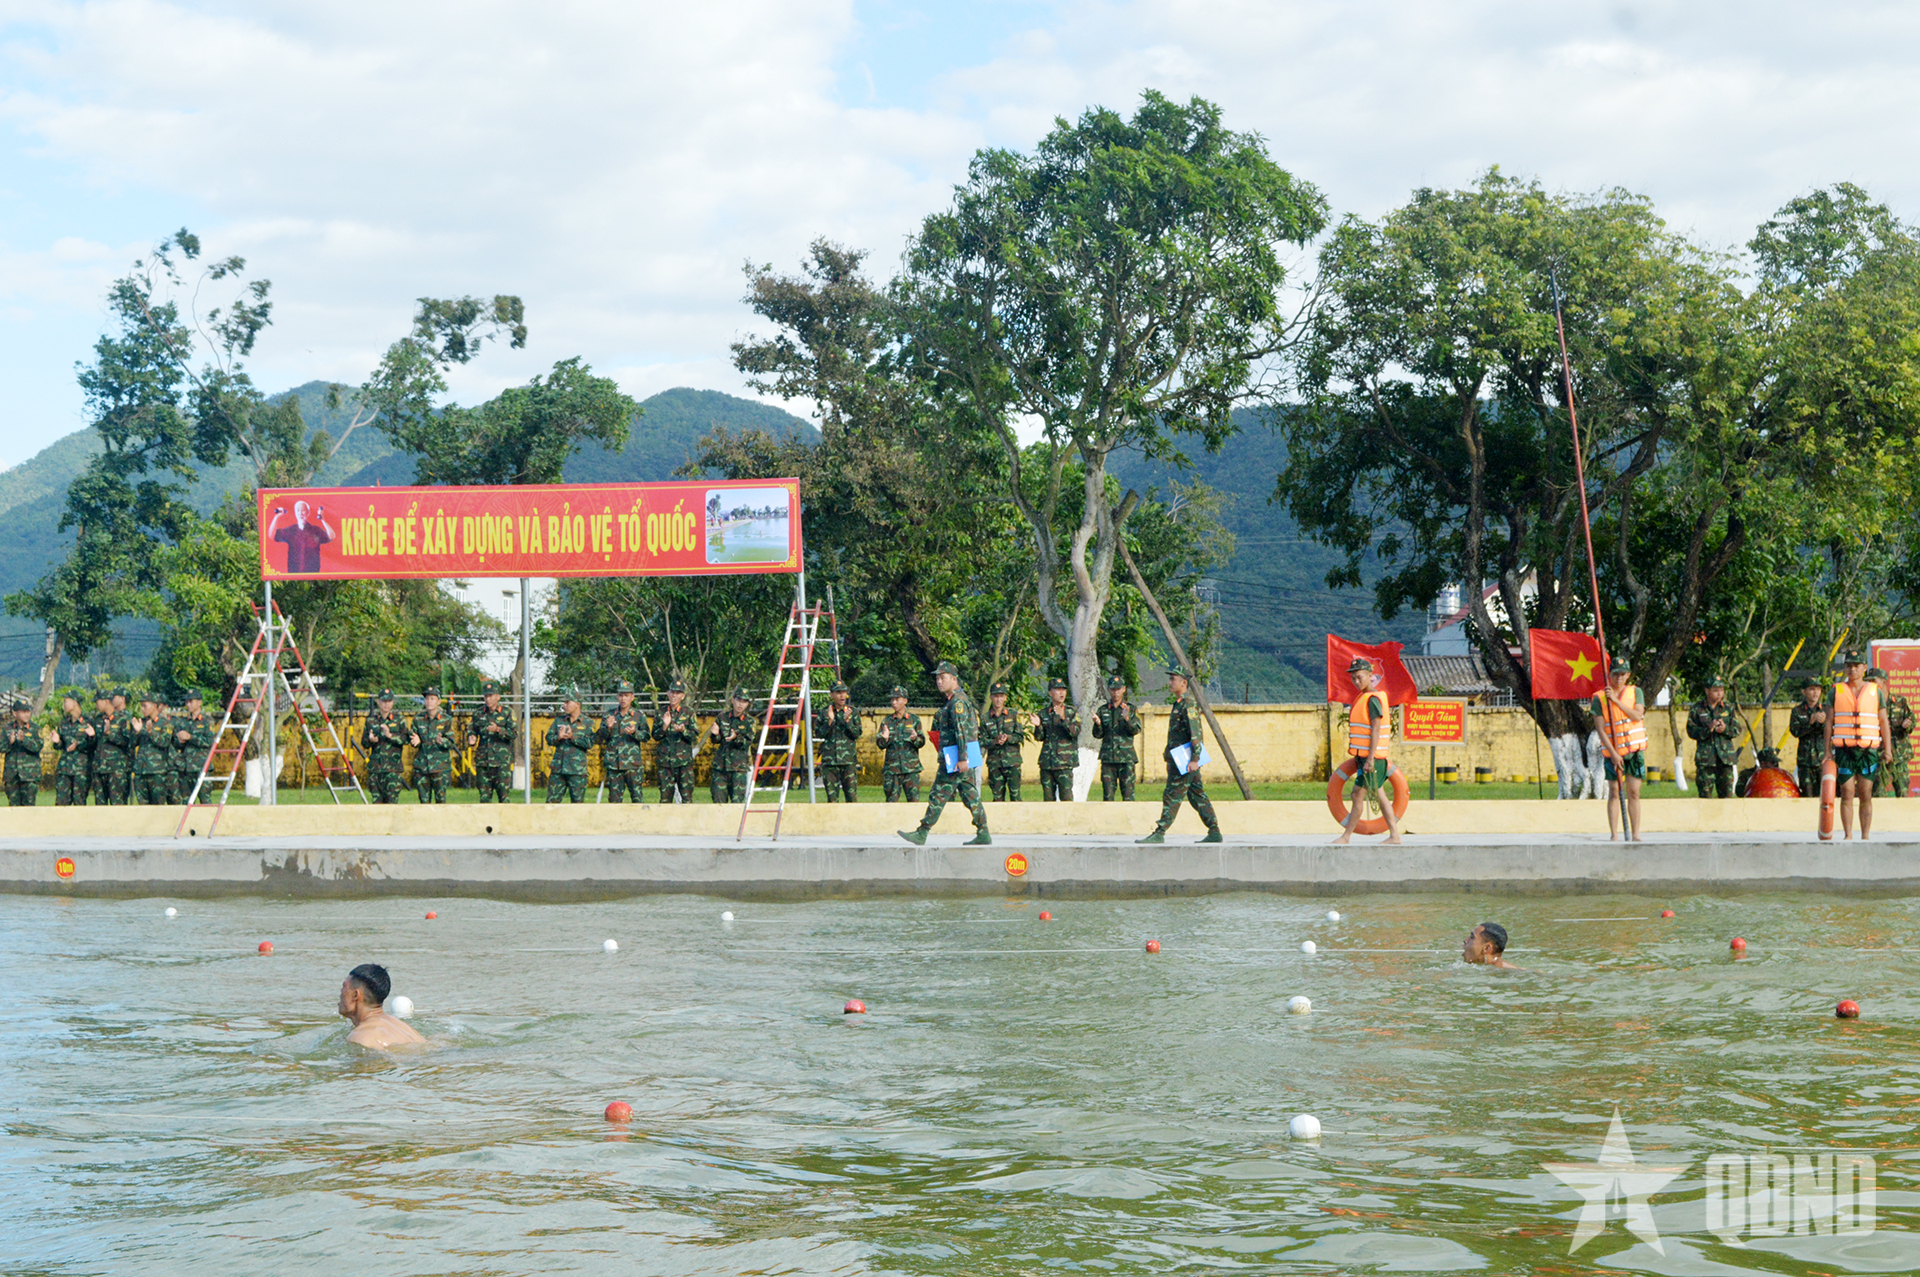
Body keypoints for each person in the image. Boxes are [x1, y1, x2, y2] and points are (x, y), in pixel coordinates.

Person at [898, 661, 990, 846]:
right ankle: (983, 832)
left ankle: (922, 832)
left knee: (938, 793)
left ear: (954, 679)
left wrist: (962, 758)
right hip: (958, 754)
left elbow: (962, 731)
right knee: (970, 795)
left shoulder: (958, 702)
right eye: (938, 678)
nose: (939, 681)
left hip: (958, 756)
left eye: (943, 677)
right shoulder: (953, 701)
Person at [1139, 666, 1223, 844]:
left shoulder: (1188, 704)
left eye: (1173, 679)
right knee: (1197, 795)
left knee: (1172, 794)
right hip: (1178, 758)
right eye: (1170, 679)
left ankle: (1160, 832)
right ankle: (1214, 831)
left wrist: (1194, 759)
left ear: (1183, 683)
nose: (1170, 682)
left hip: (1186, 761)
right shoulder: (1179, 703)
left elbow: (1196, 734)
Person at [1333, 657, 1402, 845]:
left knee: (1360, 794)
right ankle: (1393, 835)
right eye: (1354, 678)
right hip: (1364, 758)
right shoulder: (1364, 698)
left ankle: (1347, 837)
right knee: (1374, 794)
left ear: (1370, 676)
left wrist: (1370, 758)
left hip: (1372, 758)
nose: (1356, 682)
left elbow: (1376, 729)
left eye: (1360, 677)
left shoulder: (1372, 700)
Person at [1824, 651, 1890, 839]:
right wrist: (1827, 751)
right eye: (1849, 666)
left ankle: (1866, 835)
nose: (1852, 669)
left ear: (1863, 668)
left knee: (1865, 793)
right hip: (1845, 749)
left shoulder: (1875, 691)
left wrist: (1888, 750)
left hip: (1868, 750)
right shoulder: (1835, 691)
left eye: (1856, 665)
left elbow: (1883, 721)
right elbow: (1829, 721)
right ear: (1845, 668)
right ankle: (1848, 835)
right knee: (1847, 792)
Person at [1592, 658, 1647, 842]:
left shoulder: (1635, 692)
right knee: (1614, 792)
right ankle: (1614, 834)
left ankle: (1636, 834)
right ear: (1610, 674)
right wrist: (1614, 754)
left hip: (1634, 751)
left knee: (1633, 792)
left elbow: (1637, 714)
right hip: (1613, 753)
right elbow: (1600, 729)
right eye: (1615, 674)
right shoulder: (1599, 697)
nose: (1619, 678)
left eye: (1623, 674)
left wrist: (1615, 701)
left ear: (1628, 675)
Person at [337, 963, 425, 1050]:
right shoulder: (401, 1025)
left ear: (355, 995)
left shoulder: (360, 1037)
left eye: (344, 987)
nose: (341, 993)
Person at [1687, 677, 1741, 799]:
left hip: (1725, 759)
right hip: (1706, 760)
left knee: (1726, 796)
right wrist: (1708, 729)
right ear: (1707, 691)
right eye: (1716, 690)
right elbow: (1691, 731)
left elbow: (1737, 729)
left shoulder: (1728, 708)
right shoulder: (1697, 709)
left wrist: (1725, 729)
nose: (1719, 693)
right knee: (1705, 796)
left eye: (1721, 690)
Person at [596, 680, 649, 802]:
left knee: (637, 799)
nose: (623, 699)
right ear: (617, 696)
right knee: (614, 802)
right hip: (614, 766)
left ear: (632, 697)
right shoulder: (609, 715)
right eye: (621, 695)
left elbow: (646, 736)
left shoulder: (639, 716)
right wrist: (608, 728)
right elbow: (599, 738)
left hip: (633, 765)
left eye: (626, 695)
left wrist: (635, 733)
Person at [1092, 675, 1142, 801]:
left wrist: (1127, 719)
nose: (1116, 692)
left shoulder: (1130, 709)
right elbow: (1098, 735)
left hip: (1126, 758)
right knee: (1108, 797)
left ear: (1124, 689)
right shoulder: (1103, 710)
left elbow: (1136, 730)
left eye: (1118, 689)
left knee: (1128, 796)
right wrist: (1098, 724)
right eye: (1113, 689)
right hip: (1108, 759)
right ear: (1109, 690)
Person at [812, 681, 862, 802]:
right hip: (830, 762)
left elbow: (857, 734)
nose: (842, 696)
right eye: (838, 692)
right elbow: (818, 734)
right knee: (832, 800)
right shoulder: (824, 712)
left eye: (844, 692)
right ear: (831, 695)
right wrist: (829, 721)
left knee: (851, 798)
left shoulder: (852, 712)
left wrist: (848, 721)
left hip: (848, 762)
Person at [467, 679, 517, 803]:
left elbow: (514, 733)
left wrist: (498, 729)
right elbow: (472, 729)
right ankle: (486, 823)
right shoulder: (478, 713)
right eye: (486, 696)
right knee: (484, 800)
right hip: (483, 763)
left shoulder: (507, 713)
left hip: (501, 763)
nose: (488, 699)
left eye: (490, 696)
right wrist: (471, 737)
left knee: (504, 799)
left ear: (498, 697)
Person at [875, 685, 926, 803]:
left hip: (911, 769)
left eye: (897, 699)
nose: (894, 702)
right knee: (891, 803)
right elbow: (880, 744)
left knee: (914, 803)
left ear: (905, 701)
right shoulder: (886, 721)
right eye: (892, 699)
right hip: (892, 770)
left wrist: (915, 739)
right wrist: (885, 739)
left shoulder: (914, 720)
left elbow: (922, 742)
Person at [1031, 677, 1079, 802]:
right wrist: (1038, 726)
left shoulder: (1072, 712)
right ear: (1050, 693)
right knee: (1048, 800)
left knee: (1066, 799)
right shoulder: (1043, 713)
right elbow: (1039, 737)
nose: (1061, 693)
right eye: (1057, 690)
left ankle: (1068, 821)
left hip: (1064, 763)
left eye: (1063, 689)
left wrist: (1064, 719)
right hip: (1047, 763)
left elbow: (1075, 732)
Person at [653, 679, 699, 803]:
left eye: (678, 693)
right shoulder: (660, 713)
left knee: (687, 799)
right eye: (672, 692)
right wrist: (664, 726)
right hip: (665, 764)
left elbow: (694, 736)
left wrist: (683, 731)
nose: (674, 695)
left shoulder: (688, 713)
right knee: (665, 800)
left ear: (683, 696)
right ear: (668, 693)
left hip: (683, 763)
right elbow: (655, 736)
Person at [408, 687, 457, 804]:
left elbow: (451, 742)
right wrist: (415, 740)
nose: (429, 701)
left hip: (440, 768)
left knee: (440, 802)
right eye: (427, 699)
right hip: (422, 767)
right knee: (424, 803)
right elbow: (411, 738)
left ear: (438, 701)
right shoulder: (418, 719)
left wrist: (442, 741)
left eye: (432, 698)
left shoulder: (446, 720)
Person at [708, 688, 755, 803]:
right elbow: (716, 740)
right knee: (718, 802)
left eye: (744, 702)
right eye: (738, 700)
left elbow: (747, 742)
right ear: (733, 700)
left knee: (737, 804)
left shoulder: (749, 722)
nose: (740, 704)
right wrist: (715, 735)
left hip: (738, 768)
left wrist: (736, 738)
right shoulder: (722, 717)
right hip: (721, 767)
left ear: (747, 704)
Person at [546, 690, 594, 803]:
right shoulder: (559, 720)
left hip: (577, 771)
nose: (564, 705)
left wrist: (573, 738)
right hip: (558, 770)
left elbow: (590, 743)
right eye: (564, 702)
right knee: (551, 804)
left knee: (577, 805)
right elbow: (549, 739)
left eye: (568, 702)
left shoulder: (587, 722)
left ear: (577, 704)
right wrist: (558, 737)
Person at [170, 689, 216, 804]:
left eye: (191, 701)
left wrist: (190, 737)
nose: (188, 704)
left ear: (199, 702)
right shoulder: (182, 722)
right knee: (186, 802)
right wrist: (179, 740)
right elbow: (175, 744)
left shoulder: (207, 721)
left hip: (201, 767)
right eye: (186, 702)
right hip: (185, 768)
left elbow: (210, 742)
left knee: (205, 800)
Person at [362, 689, 408, 804]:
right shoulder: (371, 721)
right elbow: (364, 743)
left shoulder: (399, 720)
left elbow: (406, 739)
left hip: (393, 769)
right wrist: (371, 740)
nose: (386, 704)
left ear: (392, 702)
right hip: (376, 769)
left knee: (391, 805)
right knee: (377, 805)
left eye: (389, 701)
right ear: (378, 702)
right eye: (383, 701)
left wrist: (390, 735)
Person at [982, 683, 1025, 801]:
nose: (998, 699)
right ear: (991, 697)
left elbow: (1020, 736)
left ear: (1005, 697)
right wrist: (995, 741)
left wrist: (1008, 738)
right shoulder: (985, 718)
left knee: (1015, 796)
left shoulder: (1013, 714)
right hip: (995, 763)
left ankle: (1017, 819)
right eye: (995, 696)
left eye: (1001, 696)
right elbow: (982, 741)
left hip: (1012, 762)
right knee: (997, 798)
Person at [1874, 669, 1913, 800]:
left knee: (1902, 790)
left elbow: (1911, 719)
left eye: (1874, 681)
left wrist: (1908, 724)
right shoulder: (1869, 703)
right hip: (1878, 753)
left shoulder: (1899, 701)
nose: (1871, 684)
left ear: (1883, 682)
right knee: (1877, 792)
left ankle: (1903, 819)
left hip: (1899, 752)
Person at [267, 500, 334, 574]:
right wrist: (277, 517)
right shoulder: (290, 530)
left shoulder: (315, 530)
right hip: (294, 572)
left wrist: (323, 519)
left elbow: (331, 536)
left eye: (303, 510)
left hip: (313, 573)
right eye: (298, 510)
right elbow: (272, 535)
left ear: (308, 512)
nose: (300, 513)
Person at [1787, 676, 1827, 798]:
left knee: (1825, 795)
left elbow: (1835, 730)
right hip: (1805, 761)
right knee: (1807, 795)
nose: (1815, 693)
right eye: (1811, 689)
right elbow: (1794, 731)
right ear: (1804, 691)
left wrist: (1825, 722)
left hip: (1823, 760)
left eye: (1818, 689)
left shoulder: (1826, 709)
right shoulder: (1797, 711)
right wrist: (1808, 723)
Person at [129, 694, 173, 805]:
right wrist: (137, 732)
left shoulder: (164, 723)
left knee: (158, 807)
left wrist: (151, 732)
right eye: (141, 706)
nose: (142, 709)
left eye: (145, 706)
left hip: (157, 771)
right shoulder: (141, 722)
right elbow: (131, 744)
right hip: (141, 771)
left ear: (154, 705)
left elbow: (165, 742)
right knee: (143, 807)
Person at [53, 693, 94, 807]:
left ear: (75, 702)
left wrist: (79, 744)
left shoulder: (88, 722)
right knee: (61, 804)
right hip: (64, 769)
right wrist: (57, 742)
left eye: (66, 701)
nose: (64, 705)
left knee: (79, 803)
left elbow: (92, 745)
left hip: (81, 770)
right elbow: (61, 745)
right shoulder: (64, 723)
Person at [92, 690, 133, 805]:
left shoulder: (122, 719)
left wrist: (110, 734)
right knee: (100, 806)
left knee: (118, 806)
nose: (96, 704)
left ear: (106, 701)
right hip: (99, 768)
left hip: (116, 770)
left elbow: (127, 742)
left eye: (97, 701)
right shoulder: (97, 720)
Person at [3, 697, 43, 807]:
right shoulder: (7, 729)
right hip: (12, 775)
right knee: (14, 807)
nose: (27, 714)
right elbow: (1, 748)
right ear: (15, 713)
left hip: (30, 775)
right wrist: (9, 743)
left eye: (28, 711)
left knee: (29, 808)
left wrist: (24, 740)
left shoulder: (35, 728)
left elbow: (38, 747)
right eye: (23, 712)